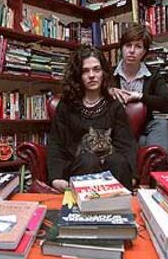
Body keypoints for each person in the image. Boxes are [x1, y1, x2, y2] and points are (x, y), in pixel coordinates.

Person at [47, 45, 138, 193]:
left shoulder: (114, 106)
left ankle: (120, 211)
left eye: (96, 69)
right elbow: (56, 144)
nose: (91, 75)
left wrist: (132, 176)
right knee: (88, 159)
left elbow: (126, 145)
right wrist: (56, 178)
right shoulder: (66, 105)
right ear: (78, 75)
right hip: (78, 168)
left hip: (111, 172)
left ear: (103, 73)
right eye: (85, 71)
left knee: (117, 160)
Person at [111, 23, 168, 153]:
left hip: (143, 128)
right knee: (142, 144)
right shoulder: (108, 74)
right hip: (115, 128)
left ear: (144, 52)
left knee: (161, 124)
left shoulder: (153, 74)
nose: (132, 51)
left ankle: (153, 166)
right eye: (128, 45)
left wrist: (141, 97)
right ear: (121, 48)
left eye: (138, 46)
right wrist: (108, 91)